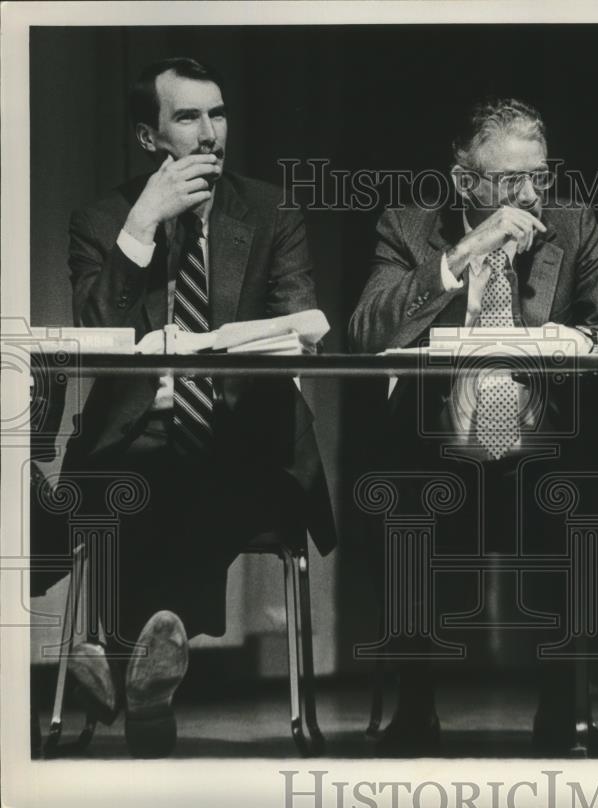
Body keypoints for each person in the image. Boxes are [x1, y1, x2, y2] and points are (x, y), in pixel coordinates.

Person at [349, 97, 598, 754]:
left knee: (590, 497)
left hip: (538, 447)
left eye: (539, 176)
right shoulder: (409, 226)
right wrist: (462, 256)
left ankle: (565, 708)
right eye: (510, 180)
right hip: (441, 450)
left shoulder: (569, 227)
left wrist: (572, 338)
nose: (530, 194)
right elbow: (367, 330)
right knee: (396, 498)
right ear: (465, 182)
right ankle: (415, 707)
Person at [59, 57, 335, 757]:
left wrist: (240, 347)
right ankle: (153, 661)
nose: (210, 133)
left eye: (218, 114)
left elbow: (300, 323)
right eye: (187, 117)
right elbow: (95, 335)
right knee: (146, 466)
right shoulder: (102, 220)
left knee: (187, 463)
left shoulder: (271, 213)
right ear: (149, 139)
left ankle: (121, 656)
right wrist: (143, 223)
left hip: (244, 435)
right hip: (136, 436)